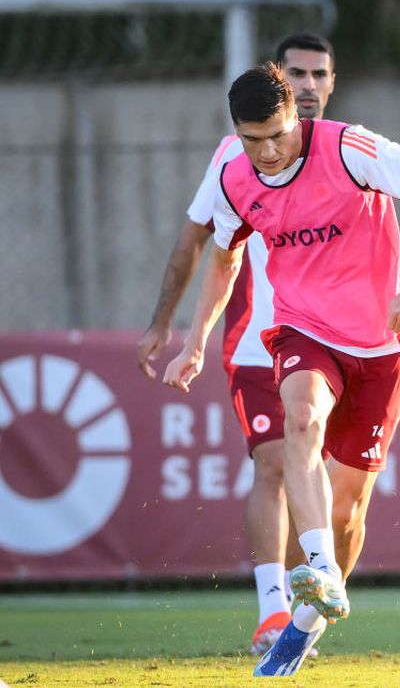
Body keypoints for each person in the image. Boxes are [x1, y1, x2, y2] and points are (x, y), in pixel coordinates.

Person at [162, 61, 400, 677]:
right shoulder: (234, 178)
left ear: (295, 116)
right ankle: (320, 567)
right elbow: (223, 259)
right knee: (299, 420)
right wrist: (195, 341)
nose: (268, 152)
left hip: (382, 344)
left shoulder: (351, 149)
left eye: (278, 134)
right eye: (253, 140)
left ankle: (305, 623)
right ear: (237, 133)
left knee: (348, 510)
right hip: (303, 330)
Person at [137, 33, 338, 657]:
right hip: (260, 340)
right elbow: (199, 242)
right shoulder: (234, 159)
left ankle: (313, 606)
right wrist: (170, 327)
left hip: (339, 344)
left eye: (319, 74)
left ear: (332, 82)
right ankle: (272, 612)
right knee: (275, 464)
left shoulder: (347, 151)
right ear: (279, 83)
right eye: (297, 73)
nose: (308, 84)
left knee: (335, 487)